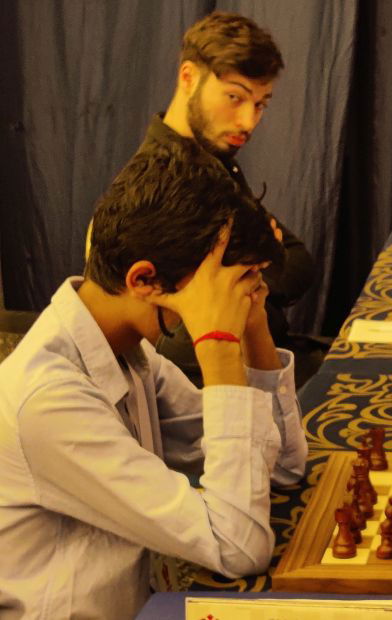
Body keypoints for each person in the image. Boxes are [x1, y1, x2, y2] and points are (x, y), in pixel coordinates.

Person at [0, 142, 309, 618]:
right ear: (143, 279)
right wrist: (217, 343)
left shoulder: (129, 354)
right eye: (222, 287)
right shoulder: (49, 401)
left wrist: (254, 326)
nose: (233, 300)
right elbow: (237, 545)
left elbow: (282, 467)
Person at [125, 11, 316, 383]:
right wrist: (255, 281)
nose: (248, 121)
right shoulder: (164, 182)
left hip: (264, 358)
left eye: (260, 104)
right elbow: (177, 341)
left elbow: (299, 261)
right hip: (210, 387)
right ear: (188, 77)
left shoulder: (215, 160)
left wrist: (250, 281)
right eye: (234, 97)